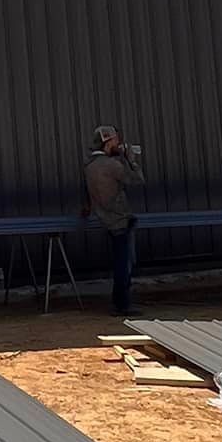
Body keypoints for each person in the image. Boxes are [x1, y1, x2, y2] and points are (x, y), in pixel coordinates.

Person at [84, 124, 143, 313]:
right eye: (116, 140)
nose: (119, 143)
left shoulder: (90, 166)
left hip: (106, 219)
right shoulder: (112, 165)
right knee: (123, 264)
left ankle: (120, 302)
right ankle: (122, 304)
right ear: (108, 142)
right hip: (120, 219)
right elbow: (137, 179)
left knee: (121, 261)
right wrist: (131, 160)